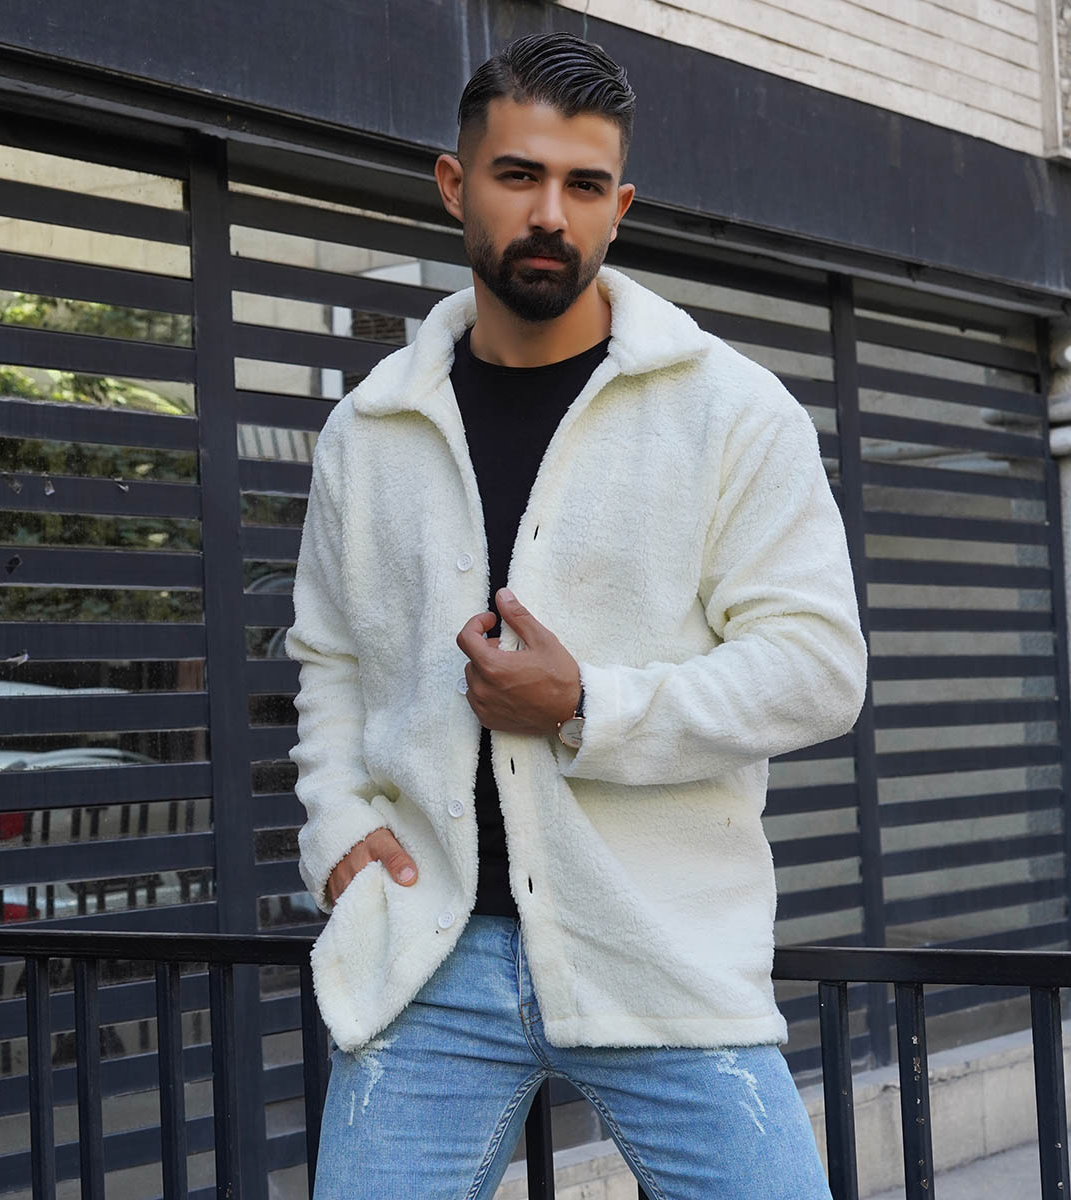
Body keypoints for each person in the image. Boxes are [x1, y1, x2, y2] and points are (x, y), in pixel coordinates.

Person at [286, 30, 865, 1200]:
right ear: (455, 185)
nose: (551, 213)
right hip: (427, 955)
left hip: (661, 953)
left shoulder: (731, 412)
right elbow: (331, 659)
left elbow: (817, 668)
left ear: (620, 207)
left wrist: (587, 706)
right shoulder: (370, 429)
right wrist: (336, 830)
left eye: (585, 185)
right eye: (519, 175)